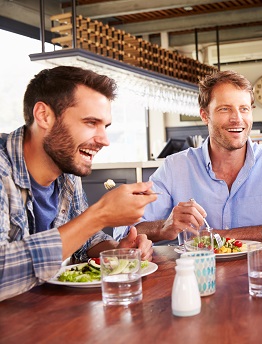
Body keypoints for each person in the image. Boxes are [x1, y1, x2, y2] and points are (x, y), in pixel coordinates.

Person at [0, 66, 156, 301]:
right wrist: (99, 215)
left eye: (105, 126)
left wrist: (117, 251)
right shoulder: (4, 168)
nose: (104, 140)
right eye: (91, 122)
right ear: (44, 116)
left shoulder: (66, 172)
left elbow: (85, 240)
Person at [114, 70, 262, 244]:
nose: (237, 119)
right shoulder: (175, 167)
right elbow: (125, 230)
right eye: (225, 109)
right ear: (205, 115)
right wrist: (164, 226)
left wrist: (224, 237)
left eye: (244, 109)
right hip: (197, 281)